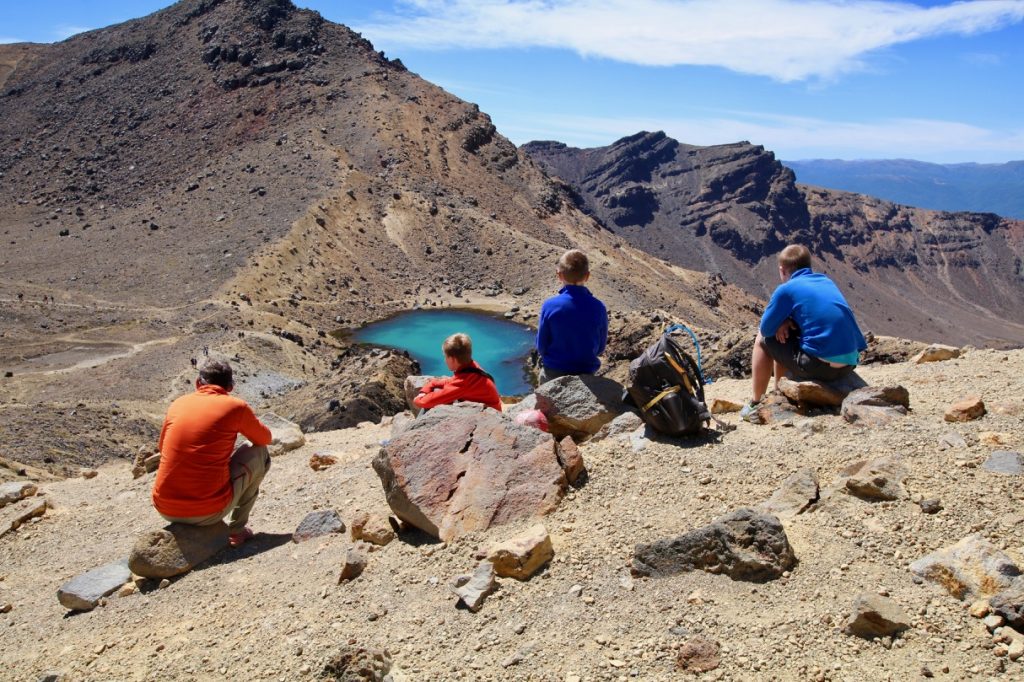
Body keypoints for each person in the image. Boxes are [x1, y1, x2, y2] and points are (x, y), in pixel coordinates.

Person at [151, 360, 272, 547]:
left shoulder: (178, 404)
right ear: (230, 387)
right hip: (207, 511)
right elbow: (264, 439)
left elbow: (162, 448)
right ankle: (236, 531)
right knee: (259, 453)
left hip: (164, 508)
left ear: (198, 383)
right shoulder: (236, 406)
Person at [740, 244, 867, 420]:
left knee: (762, 338)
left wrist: (782, 320)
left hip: (820, 367)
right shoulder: (826, 281)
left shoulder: (786, 289)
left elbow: (767, 329)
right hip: (849, 364)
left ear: (782, 270)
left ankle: (755, 403)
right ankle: (780, 391)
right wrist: (789, 320)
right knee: (786, 335)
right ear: (808, 266)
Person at [535, 249, 608, 384]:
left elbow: (541, 345)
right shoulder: (599, 307)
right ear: (587, 276)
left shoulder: (550, 305)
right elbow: (600, 347)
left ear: (559, 275)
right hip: (587, 372)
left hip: (553, 372)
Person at [413, 333, 502, 412]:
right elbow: (451, 381)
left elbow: (424, 402)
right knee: (441, 395)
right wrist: (431, 384)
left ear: (453, 359)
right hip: (487, 409)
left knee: (431, 407)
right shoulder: (471, 366)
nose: (445, 360)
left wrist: (420, 396)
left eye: (445, 357)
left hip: (489, 417)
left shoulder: (464, 382)